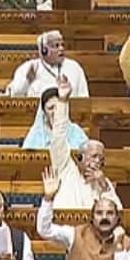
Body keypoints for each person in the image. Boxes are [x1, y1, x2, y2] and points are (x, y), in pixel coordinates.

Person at [37, 167, 130, 260]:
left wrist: (118, 247)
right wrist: (48, 199)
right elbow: (45, 230)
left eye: (110, 213)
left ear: (117, 218)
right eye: (99, 213)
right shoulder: (75, 234)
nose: (104, 217)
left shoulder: (129, 244)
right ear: (92, 218)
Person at [47, 77, 122, 210]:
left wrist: (104, 186)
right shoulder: (65, 168)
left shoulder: (102, 182)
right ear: (80, 157)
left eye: (101, 159)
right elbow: (58, 136)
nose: (97, 162)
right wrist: (63, 101)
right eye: (94, 156)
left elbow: (118, 212)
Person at [7, 30, 89, 98]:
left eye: (62, 45)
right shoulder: (28, 68)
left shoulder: (74, 67)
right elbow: (13, 96)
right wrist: (26, 81)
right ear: (44, 51)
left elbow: (84, 97)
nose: (61, 48)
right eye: (56, 46)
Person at [22, 86, 90, 151]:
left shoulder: (75, 131)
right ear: (44, 112)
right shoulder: (35, 133)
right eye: (50, 108)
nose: (55, 112)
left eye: (58, 107)